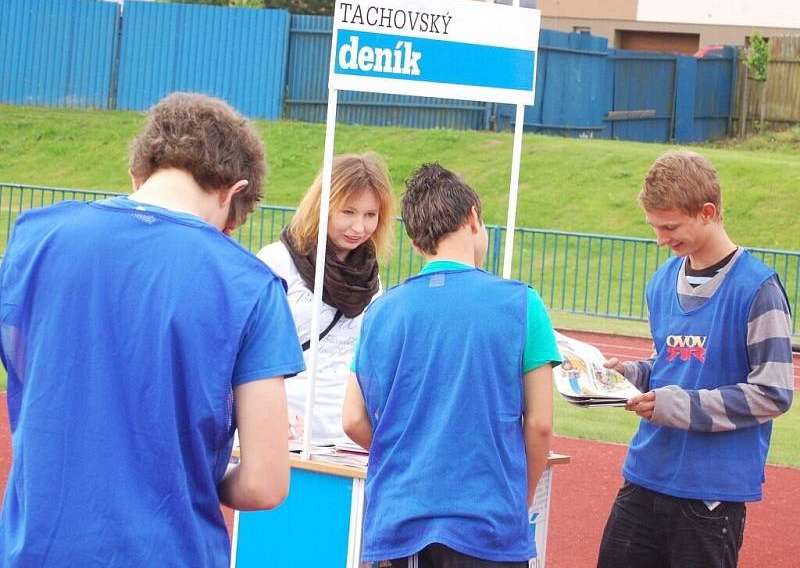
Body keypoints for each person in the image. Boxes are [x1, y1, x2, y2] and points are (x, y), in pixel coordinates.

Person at [0, 92, 306, 566]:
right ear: (232, 190)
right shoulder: (250, 285)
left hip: (37, 548)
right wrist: (201, 476)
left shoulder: (33, 240)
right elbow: (266, 484)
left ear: (138, 173)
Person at [343, 163, 561, 567]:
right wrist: (519, 498)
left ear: (414, 242)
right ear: (473, 217)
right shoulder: (522, 304)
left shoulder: (382, 312)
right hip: (488, 522)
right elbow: (540, 424)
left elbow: (353, 418)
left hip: (400, 521)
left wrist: (413, 450)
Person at [597, 150, 794, 568]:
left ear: (707, 212)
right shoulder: (661, 281)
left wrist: (679, 405)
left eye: (669, 227)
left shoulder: (759, 289)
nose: (660, 239)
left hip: (710, 497)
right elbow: (670, 366)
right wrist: (627, 376)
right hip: (645, 476)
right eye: (654, 227)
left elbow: (774, 393)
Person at [257, 153, 395, 445]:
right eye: (348, 212)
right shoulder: (278, 262)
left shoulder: (372, 278)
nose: (359, 227)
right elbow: (246, 349)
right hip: (283, 432)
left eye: (370, 215)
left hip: (345, 440)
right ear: (323, 206)